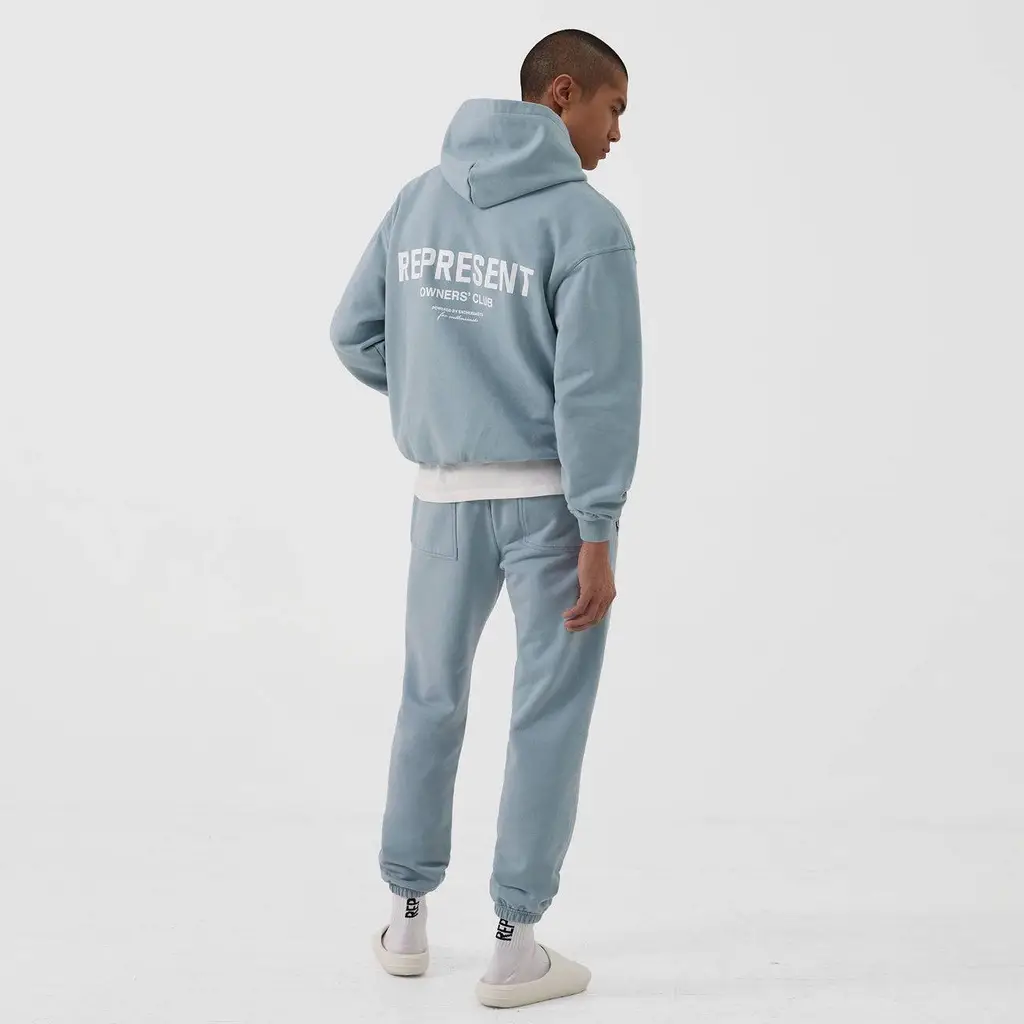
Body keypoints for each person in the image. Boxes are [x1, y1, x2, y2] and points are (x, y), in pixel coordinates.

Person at [329, 27, 642, 1009]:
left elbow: (354, 333)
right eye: (613, 109)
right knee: (546, 713)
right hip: (552, 508)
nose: (617, 133)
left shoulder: (419, 200)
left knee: (430, 699)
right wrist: (599, 529)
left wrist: (443, 396)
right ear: (562, 95)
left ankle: (406, 920)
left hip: (442, 501)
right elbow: (597, 392)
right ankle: (515, 946)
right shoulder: (587, 225)